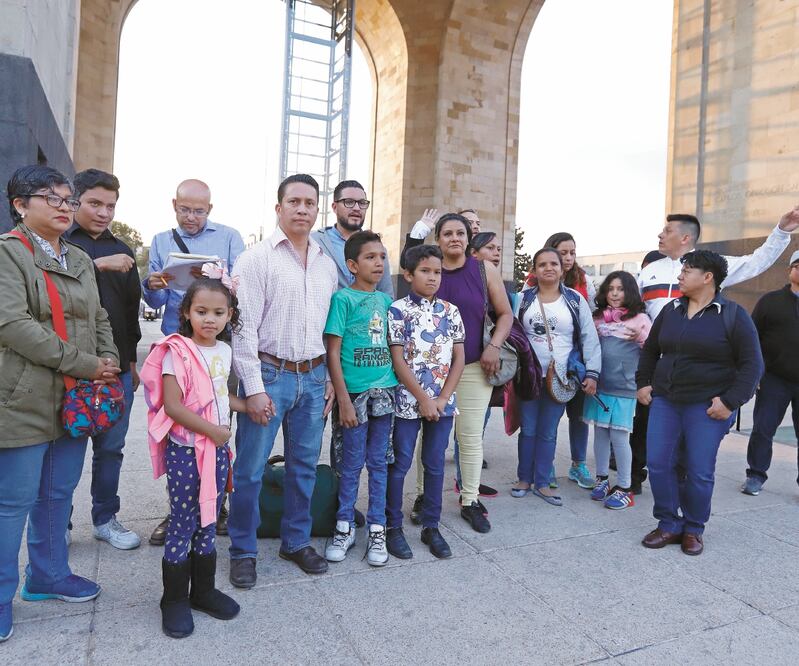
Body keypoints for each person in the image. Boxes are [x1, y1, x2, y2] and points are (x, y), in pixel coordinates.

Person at [0, 165, 121, 643]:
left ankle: (48, 575)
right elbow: (12, 324)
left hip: (76, 399)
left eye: (67, 198)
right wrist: (84, 363)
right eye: (50, 197)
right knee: (13, 502)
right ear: (19, 204)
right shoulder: (9, 254)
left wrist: (108, 357)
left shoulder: (79, 258)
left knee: (57, 493)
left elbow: (100, 318)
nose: (63, 205)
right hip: (25, 395)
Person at [631, 208, 798, 494]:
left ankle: (689, 501)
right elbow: (631, 310)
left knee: (690, 449)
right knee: (645, 434)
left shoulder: (713, 266)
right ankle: (634, 482)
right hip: (655, 367)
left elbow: (756, 262)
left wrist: (781, 232)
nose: (660, 235)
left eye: (667, 230)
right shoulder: (648, 271)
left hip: (698, 375)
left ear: (685, 238)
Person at [228, 174, 337, 585]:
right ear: (279, 208)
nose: (303, 209)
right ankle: (243, 548)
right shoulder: (257, 259)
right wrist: (253, 389)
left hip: (312, 377)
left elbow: (329, 327)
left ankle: (295, 540)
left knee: (304, 467)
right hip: (269, 374)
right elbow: (242, 329)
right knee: (251, 470)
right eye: (294, 201)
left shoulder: (327, 263)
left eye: (310, 203)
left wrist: (328, 377)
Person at [637, 250, 763, 556]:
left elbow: (752, 365)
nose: (680, 276)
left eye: (686, 271)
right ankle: (668, 523)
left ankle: (693, 527)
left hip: (707, 406)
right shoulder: (671, 310)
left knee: (699, 469)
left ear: (708, 278)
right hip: (666, 400)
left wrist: (731, 402)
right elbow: (651, 350)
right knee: (658, 463)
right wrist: (643, 383)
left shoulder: (733, 315)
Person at [142, 179, 244, 546]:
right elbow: (153, 303)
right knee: (180, 427)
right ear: (174, 205)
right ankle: (180, 507)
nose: (191, 217)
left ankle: (217, 506)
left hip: (219, 344)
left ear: (210, 210)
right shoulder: (160, 240)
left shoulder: (230, 238)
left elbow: (240, 288)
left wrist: (219, 280)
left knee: (218, 421)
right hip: (180, 347)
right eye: (185, 209)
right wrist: (152, 285)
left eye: (199, 210)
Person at [141, 276, 243, 638]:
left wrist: (244, 406)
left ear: (230, 315)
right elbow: (172, 405)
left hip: (216, 451)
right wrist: (213, 431)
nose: (210, 319)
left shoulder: (225, 351)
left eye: (218, 312)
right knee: (184, 521)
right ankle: (173, 600)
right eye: (201, 311)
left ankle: (203, 591)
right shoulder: (176, 351)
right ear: (186, 313)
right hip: (186, 450)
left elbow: (217, 395)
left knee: (209, 517)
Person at [65, 168, 142, 550]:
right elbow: (53, 293)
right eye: (95, 203)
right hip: (68, 365)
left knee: (111, 447)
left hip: (116, 367)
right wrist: (97, 266)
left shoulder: (125, 250)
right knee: (64, 447)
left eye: (111, 206)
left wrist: (130, 363)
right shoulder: (57, 244)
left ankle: (105, 517)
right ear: (75, 200)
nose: (104, 213)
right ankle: (57, 522)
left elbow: (131, 312)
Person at [432, 213, 512, 532]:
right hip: (433, 369)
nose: (455, 238)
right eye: (448, 233)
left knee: (470, 437)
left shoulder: (483, 269)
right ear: (438, 239)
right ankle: (425, 497)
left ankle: (469, 499)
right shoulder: (430, 268)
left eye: (461, 233)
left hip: (475, 365)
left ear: (468, 239)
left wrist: (494, 346)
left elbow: (505, 314)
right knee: (432, 437)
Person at [385, 245, 465, 560]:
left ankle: (431, 525)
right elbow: (398, 360)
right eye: (425, 271)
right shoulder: (397, 310)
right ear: (408, 274)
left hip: (442, 403)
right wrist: (423, 398)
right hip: (408, 401)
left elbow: (459, 357)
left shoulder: (450, 311)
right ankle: (392, 526)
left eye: (437, 272)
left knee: (434, 464)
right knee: (401, 463)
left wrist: (442, 398)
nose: (432, 278)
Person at [323, 230, 397, 566]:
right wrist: (343, 400)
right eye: (370, 257)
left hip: (385, 393)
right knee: (351, 464)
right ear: (352, 264)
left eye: (381, 257)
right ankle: (345, 525)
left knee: (379, 463)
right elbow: (333, 353)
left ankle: (377, 529)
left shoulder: (385, 302)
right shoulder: (343, 300)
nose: (378, 263)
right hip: (353, 396)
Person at [512, 248, 601, 506]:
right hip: (527, 375)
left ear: (563, 269)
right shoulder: (522, 299)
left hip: (561, 378)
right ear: (535, 269)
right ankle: (523, 479)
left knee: (548, 431)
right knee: (528, 429)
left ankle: (542, 482)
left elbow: (589, 338)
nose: (548, 268)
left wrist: (592, 373)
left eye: (554, 264)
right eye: (542, 264)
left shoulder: (574, 300)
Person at [584, 271, 651, 510]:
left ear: (630, 291)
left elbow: (653, 349)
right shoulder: (598, 319)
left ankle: (625, 486)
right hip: (600, 387)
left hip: (625, 389)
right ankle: (601, 479)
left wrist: (641, 337)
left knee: (620, 438)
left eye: (620, 289)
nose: (614, 293)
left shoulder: (641, 319)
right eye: (610, 288)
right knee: (600, 434)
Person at [741, 250, 799, 495]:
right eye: (798, 265)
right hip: (774, 377)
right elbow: (752, 339)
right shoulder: (771, 301)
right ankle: (755, 475)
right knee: (763, 429)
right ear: (790, 270)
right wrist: (754, 375)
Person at [311, 180, 393, 296]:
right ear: (334, 207)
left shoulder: (379, 249)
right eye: (349, 202)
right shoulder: (314, 241)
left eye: (362, 203)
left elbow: (387, 294)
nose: (356, 208)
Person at [399, 207, 481, 270]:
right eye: (470, 223)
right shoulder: (436, 254)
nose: (475, 226)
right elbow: (407, 263)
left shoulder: (484, 255)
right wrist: (419, 233)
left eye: (478, 223)